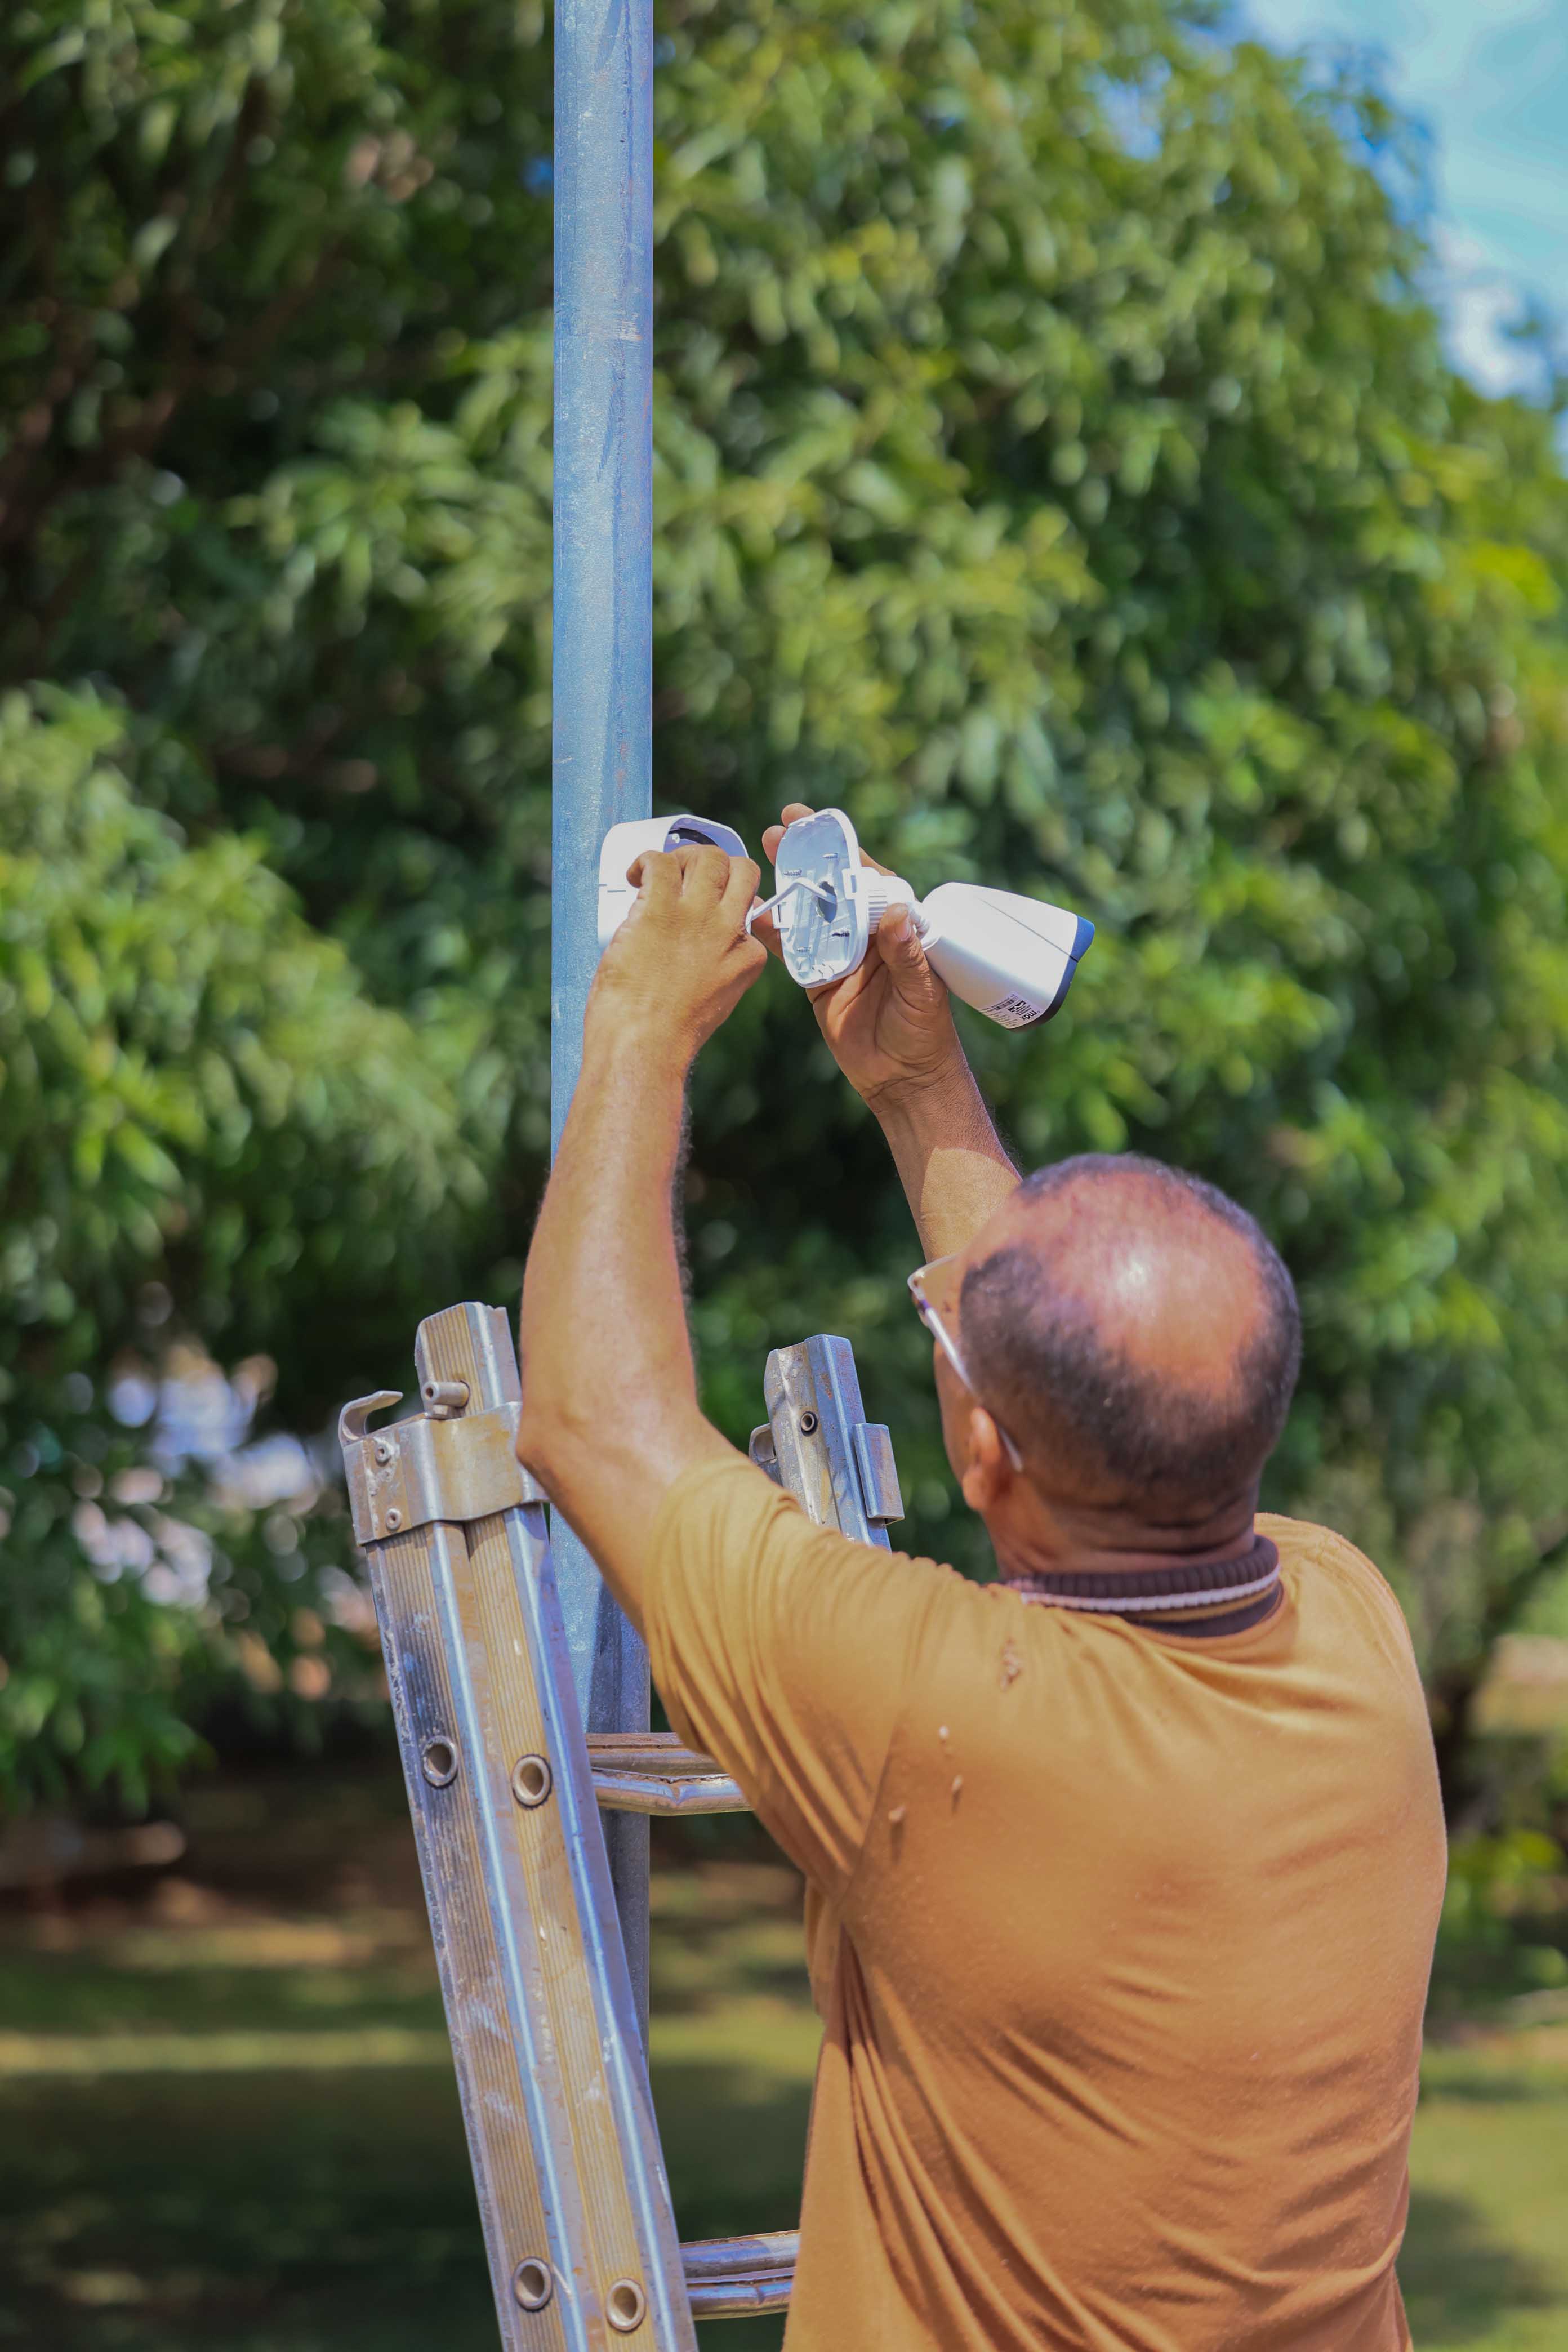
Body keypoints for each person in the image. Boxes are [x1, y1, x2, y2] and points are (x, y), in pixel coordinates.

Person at [517, 808, 1446, 2352]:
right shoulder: (1347, 1619)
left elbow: (592, 1418)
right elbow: (1071, 1370)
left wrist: (637, 1025)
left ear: (981, 1453)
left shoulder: (936, 1720)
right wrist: (920, 1084)